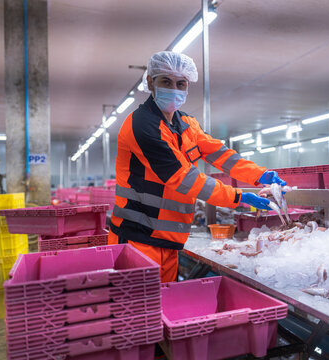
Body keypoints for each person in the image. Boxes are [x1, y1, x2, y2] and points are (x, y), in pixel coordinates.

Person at [108, 51, 286, 282]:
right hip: (137, 239)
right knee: (139, 311)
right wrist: (240, 197)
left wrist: (261, 175)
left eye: (180, 83)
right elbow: (184, 178)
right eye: (166, 81)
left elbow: (220, 154)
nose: (174, 88)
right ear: (151, 82)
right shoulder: (142, 125)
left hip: (167, 240)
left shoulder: (186, 124)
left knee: (163, 307)